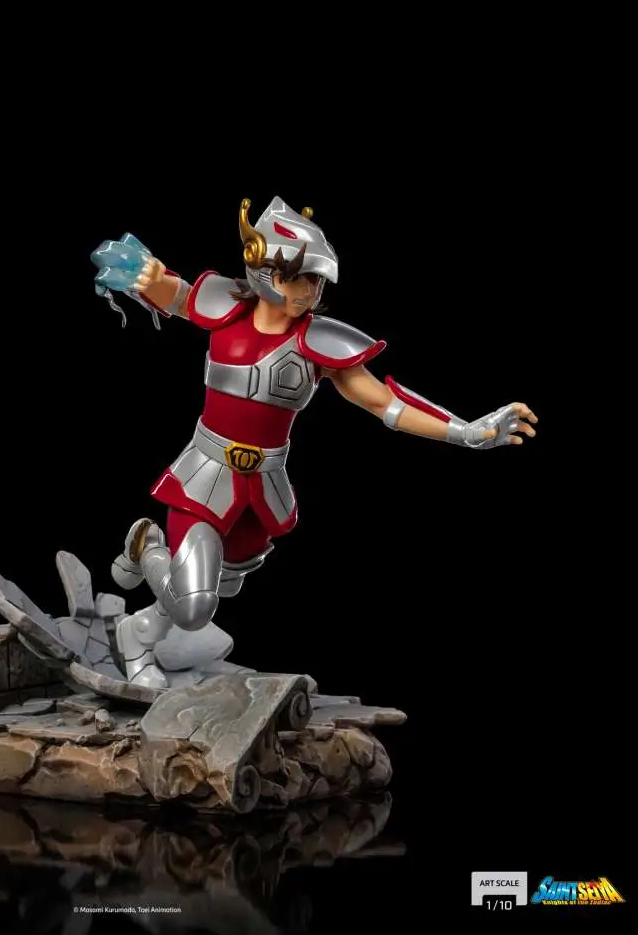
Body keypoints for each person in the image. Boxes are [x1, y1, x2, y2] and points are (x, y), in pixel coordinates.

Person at [90, 197, 538, 689]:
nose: (309, 290)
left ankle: (142, 628)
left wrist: (466, 431)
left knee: (220, 585)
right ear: (265, 271)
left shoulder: (319, 344)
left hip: (259, 487)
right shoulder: (224, 308)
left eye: (316, 280)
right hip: (205, 474)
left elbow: (384, 402)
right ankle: (147, 549)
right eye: (297, 278)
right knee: (195, 605)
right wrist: (145, 276)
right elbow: (173, 292)